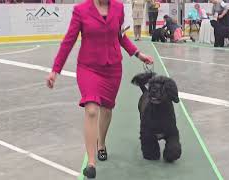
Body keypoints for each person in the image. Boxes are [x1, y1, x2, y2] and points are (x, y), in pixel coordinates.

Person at [46, 0, 153, 178]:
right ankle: (91, 162)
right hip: (88, 68)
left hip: (112, 69)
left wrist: (138, 54)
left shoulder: (118, 8)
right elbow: (68, 41)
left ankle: (101, 143)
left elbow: (121, 36)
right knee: (92, 109)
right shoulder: (80, 10)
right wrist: (55, 70)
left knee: (107, 108)